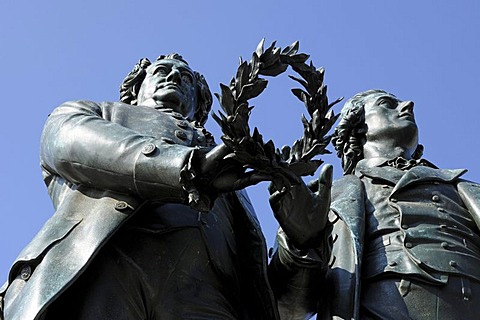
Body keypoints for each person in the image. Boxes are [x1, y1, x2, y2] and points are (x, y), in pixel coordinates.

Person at [0, 54, 331, 320]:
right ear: (135, 88)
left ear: (201, 105)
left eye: (185, 78)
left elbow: (284, 308)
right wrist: (187, 167)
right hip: (105, 271)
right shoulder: (97, 114)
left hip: (210, 300)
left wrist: (300, 243)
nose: (174, 77)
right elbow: (65, 141)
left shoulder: (234, 184)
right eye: (162, 71)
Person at [315, 89, 480, 319]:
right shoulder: (330, 194)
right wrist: (298, 244)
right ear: (359, 127)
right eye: (387, 104)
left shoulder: (461, 187)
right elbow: (288, 303)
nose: (408, 104)